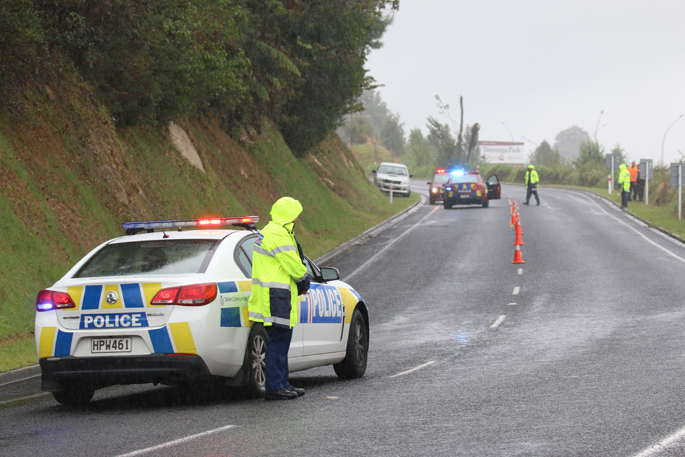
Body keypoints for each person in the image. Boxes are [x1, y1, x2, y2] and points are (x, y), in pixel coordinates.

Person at [248, 197, 310, 401]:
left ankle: (282, 383)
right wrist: (304, 279)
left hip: (275, 294)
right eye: (295, 214)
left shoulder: (272, 231)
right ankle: (275, 386)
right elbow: (292, 263)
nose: (297, 218)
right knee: (278, 340)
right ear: (288, 215)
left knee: (281, 339)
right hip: (277, 295)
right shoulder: (278, 234)